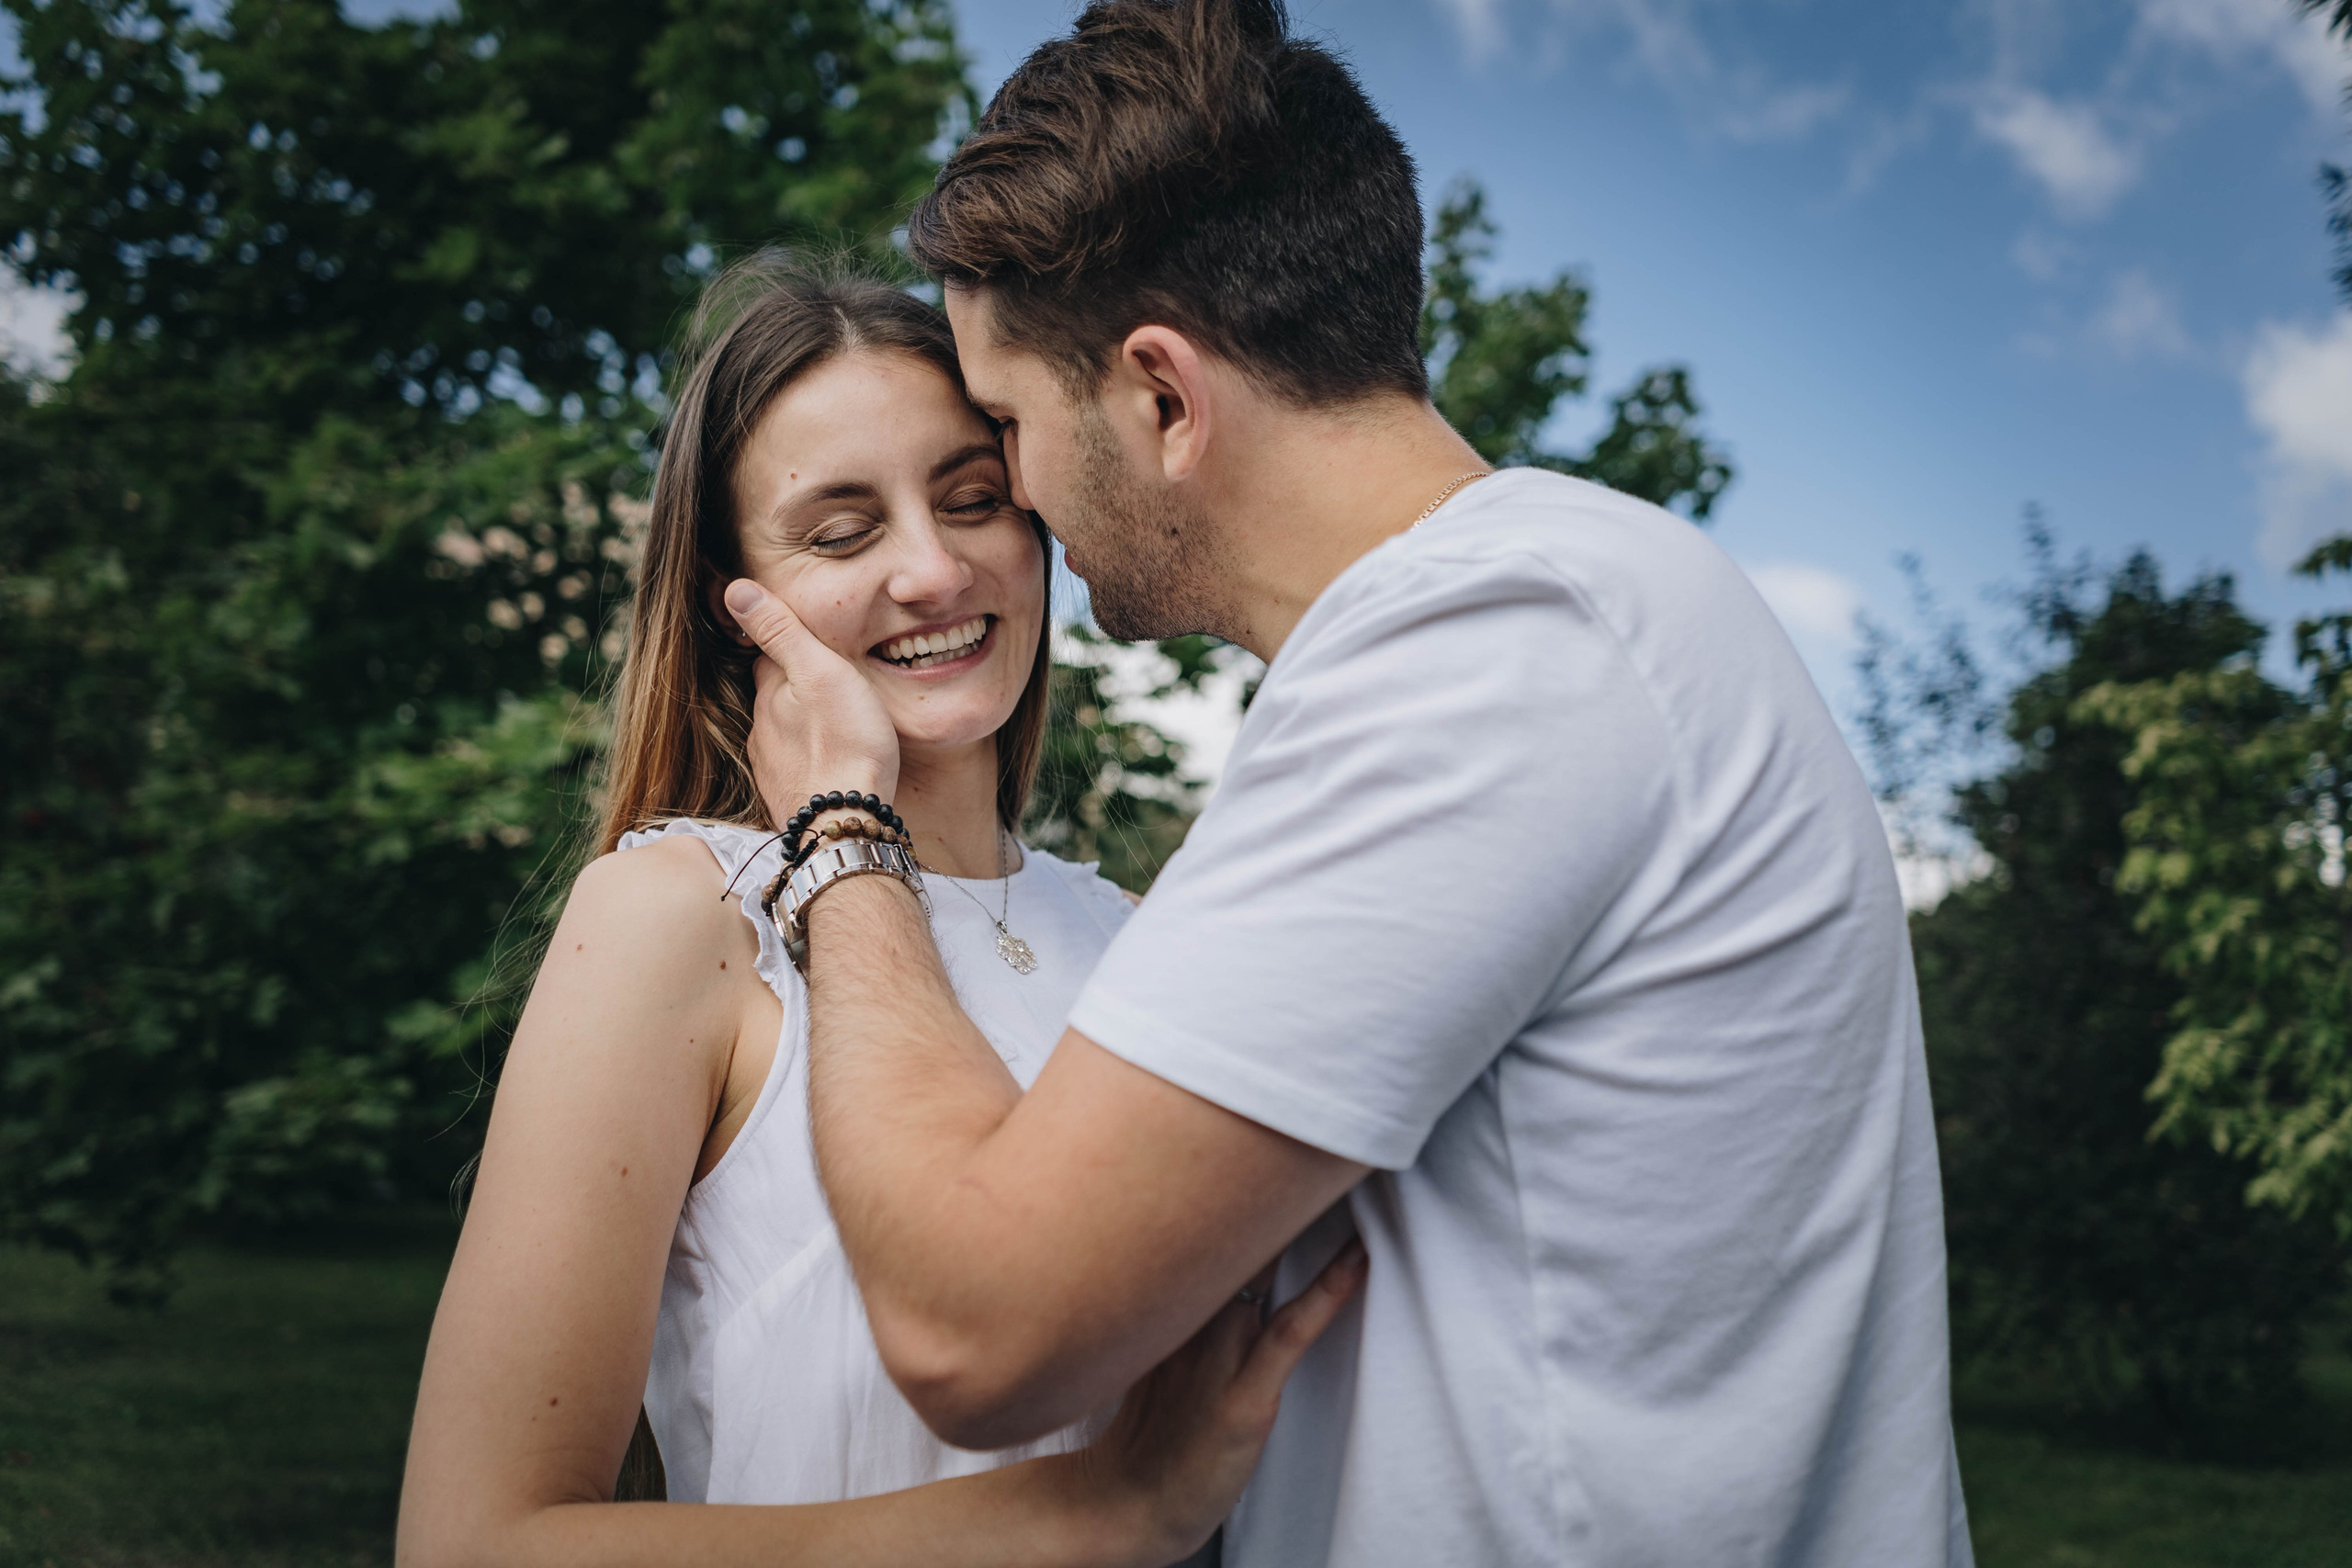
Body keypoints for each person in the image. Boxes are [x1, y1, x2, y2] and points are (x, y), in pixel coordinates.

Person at [717, 1, 1977, 1564]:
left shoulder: (1490, 651)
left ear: (1162, 399)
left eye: (1013, 428)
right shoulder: (1527, 627)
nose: (1019, 495)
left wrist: (843, 843)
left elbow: (982, 1324)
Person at [393, 257, 1363, 1568]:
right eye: (842, 534)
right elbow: (473, 1543)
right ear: (737, 605)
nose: (932, 571)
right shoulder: (680, 915)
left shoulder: (1147, 926)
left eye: (975, 500)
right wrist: (1096, 1512)